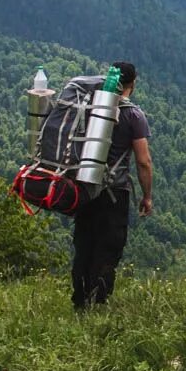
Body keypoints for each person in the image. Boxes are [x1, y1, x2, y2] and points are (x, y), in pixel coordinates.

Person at [72, 61, 153, 310]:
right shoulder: (133, 115)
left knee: (84, 243)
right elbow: (143, 162)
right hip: (114, 193)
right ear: (133, 83)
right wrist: (147, 196)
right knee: (108, 247)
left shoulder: (89, 107)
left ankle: (80, 301)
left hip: (84, 187)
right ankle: (98, 303)